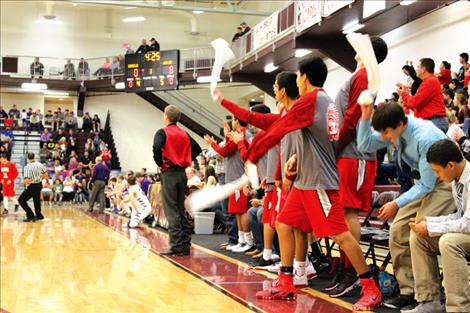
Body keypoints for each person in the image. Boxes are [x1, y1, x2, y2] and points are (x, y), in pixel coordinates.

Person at [213, 56, 382, 310]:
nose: (298, 82)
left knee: (339, 235)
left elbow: (275, 130)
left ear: (304, 78)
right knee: (284, 223)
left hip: (319, 181)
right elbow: (273, 124)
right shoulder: (319, 102)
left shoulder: (312, 101)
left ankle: (369, 286)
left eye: (299, 77)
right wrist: (226, 103)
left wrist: (253, 156)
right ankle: (287, 280)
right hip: (305, 180)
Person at [357, 102, 456, 310]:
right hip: (422, 185)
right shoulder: (394, 129)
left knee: (418, 232)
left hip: (445, 185)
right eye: (381, 132)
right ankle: (409, 290)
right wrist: (365, 117)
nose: (383, 137)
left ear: (401, 124)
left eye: (386, 132)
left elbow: (429, 185)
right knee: (397, 230)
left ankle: (431, 298)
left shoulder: (424, 137)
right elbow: (365, 144)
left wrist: (395, 203)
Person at [331, 36, 388, 297]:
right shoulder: (361, 74)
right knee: (343, 212)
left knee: (348, 212)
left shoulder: (365, 74)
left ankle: (353, 272)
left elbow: (353, 116)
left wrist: (336, 145)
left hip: (356, 153)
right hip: (349, 151)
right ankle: (346, 268)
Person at [404, 139, 469, 313]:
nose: (438, 176)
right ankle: (429, 300)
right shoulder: (457, 180)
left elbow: (468, 224)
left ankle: (458, 308)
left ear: (450, 165)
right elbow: (459, 215)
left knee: (448, 242)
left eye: (437, 171)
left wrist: (432, 228)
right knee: (419, 237)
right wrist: (430, 221)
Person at [153, 105, 201, 256]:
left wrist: (159, 162)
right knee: (180, 209)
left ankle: (176, 246)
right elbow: (198, 148)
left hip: (169, 173)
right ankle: (185, 245)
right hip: (182, 174)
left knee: (171, 210)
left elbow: (156, 147)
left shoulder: (162, 132)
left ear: (166, 116)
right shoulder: (184, 133)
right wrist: (185, 159)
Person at [397, 58, 448, 133]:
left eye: (417, 67)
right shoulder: (428, 81)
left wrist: (404, 94)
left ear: (423, 69)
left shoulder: (430, 81)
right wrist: (406, 99)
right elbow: (418, 105)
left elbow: (415, 102)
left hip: (434, 122)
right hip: (432, 121)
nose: (416, 69)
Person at [18, 153, 46, 222]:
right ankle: (39, 216)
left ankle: (31, 216)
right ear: (34, 157)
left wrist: (21, 182)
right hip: (39, 185)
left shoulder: (27, 167)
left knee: (21, 200)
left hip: (32, 186)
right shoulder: (40, 164)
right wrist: (38, 178)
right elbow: (46, 176)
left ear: (27, 158)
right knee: (36, 200)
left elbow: (27, 180)